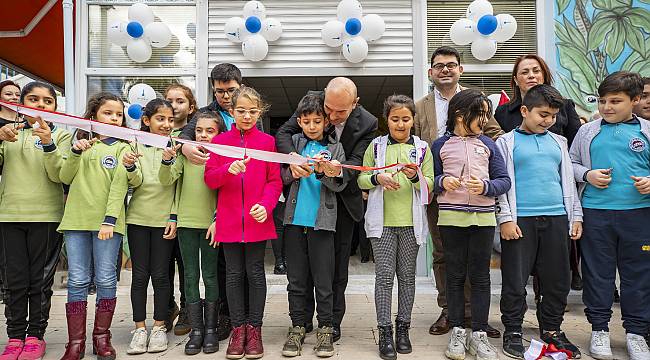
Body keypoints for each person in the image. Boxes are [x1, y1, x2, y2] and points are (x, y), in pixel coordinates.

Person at [275, 77, 378, 342]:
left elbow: (356, 162)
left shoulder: (368, 123)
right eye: (327, 109)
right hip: (304, 204)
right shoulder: (313, 101)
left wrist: (336, 171)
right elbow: (284, 134)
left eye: (339, 112)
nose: (330, 116)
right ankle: (302, 320)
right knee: (301, 269)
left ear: (355, 104)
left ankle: (330, 322)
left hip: (342, 203)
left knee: (334, 270)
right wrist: (293, 161)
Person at [414, 46, 503, 338]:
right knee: (443, 254)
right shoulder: (420, 105)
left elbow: (496, 136)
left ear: (460, 70)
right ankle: (450, 311)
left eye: (451, 65)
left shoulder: (477, 103)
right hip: (439, 192)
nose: (445, 70)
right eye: (439, 66)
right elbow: (415, 145)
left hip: (478, 198)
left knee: (477, 260)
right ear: (431, 72)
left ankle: (473, 315)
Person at [495, 84, 583, 359]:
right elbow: (502, 185)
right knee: (515, 279)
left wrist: (575, 216)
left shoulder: (559, 142)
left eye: (553, 116)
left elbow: (567, 182)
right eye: (543, 114)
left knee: (558, 279)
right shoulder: (506, 142)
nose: (548, 120)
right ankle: (513, 329)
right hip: (521, 220)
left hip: (557, 218)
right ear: (524, 110)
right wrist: (505, 219)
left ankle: (552, 329)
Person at [569, 71, 650, 360]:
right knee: (597, 275)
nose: (607, 107)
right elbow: (571, 166)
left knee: (638, 276)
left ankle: (636, 334)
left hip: (639, 217)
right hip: (596, 215)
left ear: (635, 100)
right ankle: (600, 330)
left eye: (616, 101)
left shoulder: (647, 131)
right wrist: (588, 174)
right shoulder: (587, 131)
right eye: (603, 101)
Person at [204, 86, 282, 359]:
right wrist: (228, 169)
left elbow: (275, 180)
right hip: (229, 221)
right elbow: (210, 179)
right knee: (234, 275)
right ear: (231, 112)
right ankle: (238, 330)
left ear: (259, 112)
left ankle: (255, 329)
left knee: (256, 273)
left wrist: (266, 204)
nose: (246, 116)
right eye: (241, 111)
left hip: (257, 219)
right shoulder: (220, 142)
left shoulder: (267, 142)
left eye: (252, 111)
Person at [432, 89, 510, 360]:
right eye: (480, 114)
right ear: (460, 115)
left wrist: (487, 187)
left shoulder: (489, 144)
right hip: (451, 218)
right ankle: (457, 330)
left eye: (487, 114)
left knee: (480, 276)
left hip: (484, 220)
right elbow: (431, 178)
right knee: (454, 275)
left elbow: (504, 180)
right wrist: (443, 182)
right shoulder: (439, 145)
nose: (485, 120)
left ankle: (478, 333)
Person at [358, 95, 435, 360]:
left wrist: (416, 177)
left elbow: (430, 186)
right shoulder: (377, 147)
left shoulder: (423, 148)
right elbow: (361, 178)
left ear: (413, 120)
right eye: (395, 119)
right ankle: (385, 331)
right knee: (384, 278)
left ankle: (404, 329)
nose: (400, 125)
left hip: (411, 225)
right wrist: (377, 177)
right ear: (386, 120)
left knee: (407, 278)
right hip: (383, 225)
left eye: (406, 119)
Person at [0, 81, 71, 360]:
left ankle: (35, 336)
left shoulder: (61, 135)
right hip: (9, 216)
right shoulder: (8, 133)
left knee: (39, 281)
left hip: (47, 217)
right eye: (33, 99)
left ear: (55, 106)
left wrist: (47, 142)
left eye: (47, 101)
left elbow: (60, 176)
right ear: (21, 103)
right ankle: (14, 336)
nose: (40, 105)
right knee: (13, 281)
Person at [58, 92, 130, 360]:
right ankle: (74, 342)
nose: (113, 118)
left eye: (118, 114)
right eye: (107, 113)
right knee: (77, 280)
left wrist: (109, 219)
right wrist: (75, 153)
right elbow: (64, 177)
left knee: (106, 278)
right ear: (92, 116)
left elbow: (120, 186)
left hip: (107, 225)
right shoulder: (79, 144)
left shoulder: (123, 148)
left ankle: (102, 337)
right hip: (76, 221)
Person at [178, 64, 248, 341]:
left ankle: (235, 316)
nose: (225, 96)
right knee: (214, 264)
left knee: (237, 264)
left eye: (230, 90)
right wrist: (184, 146)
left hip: (241, 195)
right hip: (211, 191)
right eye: (219, 91)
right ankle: (213, 319)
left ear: (239, 86)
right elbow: (184, 137)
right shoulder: (204, 115)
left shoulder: (248, 112)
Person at [280, 93, 346, 358]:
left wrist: (324, 171)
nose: (311, 126)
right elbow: (281, 175)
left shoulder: (335, 148)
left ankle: (326, 328)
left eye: (317, 121)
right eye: (306, 121)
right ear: (299, 122)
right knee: (296, 280)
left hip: (323, 225)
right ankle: (297, 326)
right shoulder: (293, 144)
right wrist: (292, 170)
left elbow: (339, 183)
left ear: (326, 122)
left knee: (324, 280)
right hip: (294, 222)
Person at [159, 110, 226, 355]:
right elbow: (170, 182)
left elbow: (225, 193)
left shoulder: (221, 156)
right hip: (186, 223)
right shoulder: (186, 155)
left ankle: (210, 328)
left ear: (219, 133)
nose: (204, 135)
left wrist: (218, 219)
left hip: (210, 224)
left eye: (210, 131)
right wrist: (167, 160)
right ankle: (196, 330)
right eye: (199, 130)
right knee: (189, 276)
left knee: (209, 275)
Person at [120, 99, 178, 355]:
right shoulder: (133, 144)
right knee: (140, 276)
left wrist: (174, 216)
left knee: (161, 275)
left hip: (164, 219)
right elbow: (135, 182)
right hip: (138, 219)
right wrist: (130, 165)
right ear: (147, 120)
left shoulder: (176, 146)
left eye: (170, 120)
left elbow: (172, 183)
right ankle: (139, 328)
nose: (166, 125)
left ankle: (159, 327)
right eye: (160, 119)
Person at [163, 83, 198, 336]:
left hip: (182, 211)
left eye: (180, 101)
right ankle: (166, 307)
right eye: (169, 100)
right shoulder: (150, 134)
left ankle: (187, 308)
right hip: (155, 210)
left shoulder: (194, 139)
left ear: (191, 107)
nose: (174, 106)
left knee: (185, 264)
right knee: (161, 267)